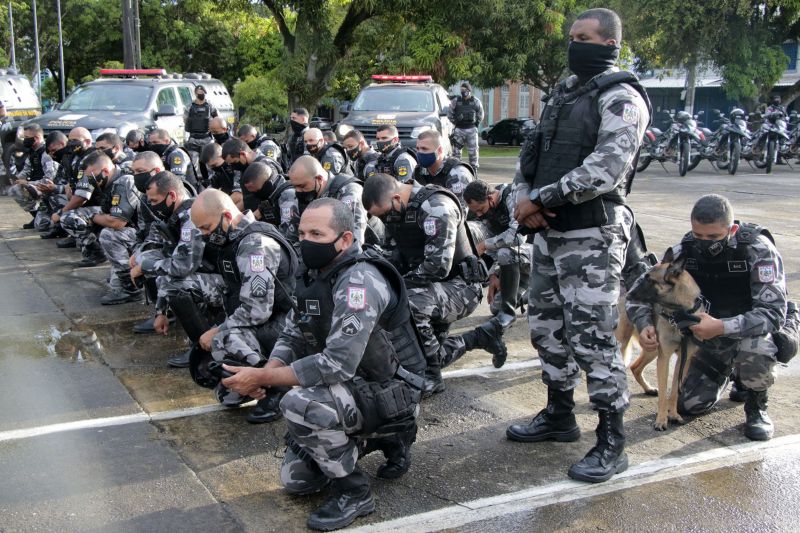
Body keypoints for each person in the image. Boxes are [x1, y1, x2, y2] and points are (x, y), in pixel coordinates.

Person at [507, 8, 651, 484]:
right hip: (548, 234)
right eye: (571, 37)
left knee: (592, 337)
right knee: (546, 328)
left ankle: (612, 442)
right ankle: (560, 415)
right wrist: (521, 196)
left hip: (591, 234)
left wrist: (540, 200)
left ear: (610, 44)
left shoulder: (621, 98)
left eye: (584, 37)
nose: (574, 45)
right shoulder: (563, 95)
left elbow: (606, 168)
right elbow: (531, 155)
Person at [220, 198, 425, 530]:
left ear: (345, 239)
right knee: (296, 480)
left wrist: (267, 379)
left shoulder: (359, 281)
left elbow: (336, 364)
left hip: (391, 389)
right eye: (302, 232)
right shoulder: (316, 274)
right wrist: (268, 372)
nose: (305, 241)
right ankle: (385, 439)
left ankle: (356, 492)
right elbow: (293, 335)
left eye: (316, 233)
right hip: (356, 387)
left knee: (298, 404)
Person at [627, 194, 787, 441]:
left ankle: (756, 404)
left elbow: (774, 313)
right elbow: (638, 291)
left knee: (756, 349)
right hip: (707, 340)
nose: (704, 243)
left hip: (746, 332)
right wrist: (645, 324)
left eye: (713, 237)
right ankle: (728, 373)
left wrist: (722, 326)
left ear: (731, 229)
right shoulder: (684, 250)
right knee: (687, 405)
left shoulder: (758, 250)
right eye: (698, 235)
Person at [363, 173, 506, 395]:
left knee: (408, 305)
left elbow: (438, 266)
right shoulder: (396, 213)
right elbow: (394, 253)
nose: (385, 221)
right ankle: (480, 337)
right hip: (428, 288)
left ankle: (432, 376)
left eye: (385, 214)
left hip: (460, 287)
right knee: (413, 357)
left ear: (397, 199)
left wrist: (397, 285)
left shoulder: (436, 207)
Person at [183, 189, 298, 420]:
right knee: (227, 397)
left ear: (226, 216)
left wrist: (218, 330)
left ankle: (276, 387)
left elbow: (257, 309)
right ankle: (254, 380)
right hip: (269, 320)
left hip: (287, 324)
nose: (205, 235)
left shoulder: (256, 245)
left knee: (223, 337)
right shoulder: (234, 239)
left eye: (206, 227)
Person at [464, 179, 531, 337]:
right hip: (518, 258)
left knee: (505, 253)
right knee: (495, 307)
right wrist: (493, 274)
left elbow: (518, 237)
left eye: (480, 210)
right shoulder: (486, 211)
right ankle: (533, 293)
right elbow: (496, 239)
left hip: (538, 251)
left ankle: (508, 314)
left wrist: (485, 245)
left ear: (490, 198)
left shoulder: (511, 196)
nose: (479, 215)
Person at [60, 151, 131, 267]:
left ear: (105, 171)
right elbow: (79, 198)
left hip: (129, 225)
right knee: (71, 217)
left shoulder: (124, 181)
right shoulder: (102, 180)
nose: (89, 181)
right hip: (110, 214)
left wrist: (93, 217)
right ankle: (96, 250)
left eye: (92, 177)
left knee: (108, 234)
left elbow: (117, 222)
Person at [288, 155, 367, 245]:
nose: (298, 191)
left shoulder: (348, 191)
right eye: (295, 186)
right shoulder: (305, 195)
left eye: (302, 186)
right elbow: (292, 235)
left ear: (319, 179)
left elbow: (355, 241)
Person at [9, 123, 57, 229]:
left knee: (42, 226)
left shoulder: (46, 154)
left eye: (26, 137)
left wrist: (28, 183)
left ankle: (44, 217)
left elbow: (50, 179)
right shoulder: (33, 151)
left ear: (36, 138)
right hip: (37, 184)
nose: (24, 140)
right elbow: (27, 168)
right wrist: (17, 178)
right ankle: (36, 216)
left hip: (48, 187)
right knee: (14, 189)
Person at [413, 130, 474, 206]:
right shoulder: (419, 171)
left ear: (439, 150)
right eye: (418, 149)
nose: (420, 153)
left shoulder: (457, 173)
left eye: (424, 149)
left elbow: (461, 211)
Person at [448, 81, 484, 169]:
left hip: (471, 130)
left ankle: (474, 170)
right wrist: (455, 121)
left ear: (469, 90)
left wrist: (476, 124)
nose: (462, 91)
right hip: (459, 130)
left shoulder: (475, 101)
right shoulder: (456, 101)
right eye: (461, 90)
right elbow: (449, 114)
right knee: (456, 153)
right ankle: (455, 170)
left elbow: (481, 114)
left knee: (473, 152)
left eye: (464, 90)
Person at [183, 84, 218, 169]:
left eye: (203, 92)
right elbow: (185, 120)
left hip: (207, 138)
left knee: (209, 163)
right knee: (192, 164)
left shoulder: (210, 106)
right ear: (195, 93)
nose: (201, 94)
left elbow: (217, 118)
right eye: (200, 92)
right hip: (193, 138)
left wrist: (214, 128)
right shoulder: (189, 106)